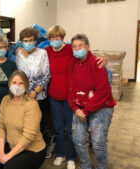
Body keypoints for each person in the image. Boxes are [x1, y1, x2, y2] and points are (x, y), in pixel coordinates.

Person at [45, 25, 107, 169]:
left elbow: (88, 57)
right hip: (54, 97)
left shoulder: (70, 50)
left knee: (72, 130)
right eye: (52, 38)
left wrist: (104, 59)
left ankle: (71, 157)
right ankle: (60, 154)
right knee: (59, 129)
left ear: (62, 38)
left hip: (70, 98)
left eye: (58, 37)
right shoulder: (46, 51)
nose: (55, 40)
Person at [68, 34, 116, 169]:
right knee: (77, 140)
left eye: (80, 46)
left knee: (98, 142)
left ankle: (101, 167)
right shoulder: (72, 62)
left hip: (101, 107)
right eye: (74, 46)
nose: (77, 49)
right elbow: (70, 88)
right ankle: (86, 166)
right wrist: (75, 108)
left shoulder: (97, 63)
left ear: (88, 47)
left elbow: (103, 92)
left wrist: (85, 110)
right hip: (80, 107)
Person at [0, 70, 46, 169]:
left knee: (8, 166)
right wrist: (1, 153)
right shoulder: (5, 100)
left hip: (33, 150)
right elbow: (1, 126)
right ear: (9, 84)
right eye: (14, 83)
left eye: (21, 83)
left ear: (26, 86)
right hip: (13, 145)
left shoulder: (31, 105)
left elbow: (28, 136)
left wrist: (8, 156)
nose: (17, 86)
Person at [15, 27, 50, 133]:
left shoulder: (42, 53)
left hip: (39, 95)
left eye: (31, 40)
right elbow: (18, 74)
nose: (28, 43)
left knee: (38, 123)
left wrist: (34, 92)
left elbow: (47, 76)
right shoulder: (19, 54)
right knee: (24, 123)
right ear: (21, 42)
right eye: (25, 41)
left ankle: (39, 148)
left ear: (35, 41)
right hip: (22, 95)